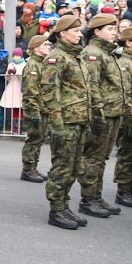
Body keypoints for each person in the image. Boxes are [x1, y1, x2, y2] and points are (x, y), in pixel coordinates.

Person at [41, 15, 92, 230]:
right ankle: (56, 209)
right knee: (62, 166)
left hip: (79, 119)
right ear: (62, 33)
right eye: (75, 31)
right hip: (66, 122)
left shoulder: (76, 57)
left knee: (73, 167)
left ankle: (65, 204)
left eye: (80, 31)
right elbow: (50, 93)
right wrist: (58, 125)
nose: (80, 34)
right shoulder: (56, 58)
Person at [78, 13, 124, 218]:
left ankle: (96, 196)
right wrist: (97, 115)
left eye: (115, 28)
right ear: (97, 31)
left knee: (102, 157)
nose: (114, 32)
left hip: (113, 112)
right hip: (102, 113)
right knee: (94, 157)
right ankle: (87, 199)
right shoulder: (93, 53)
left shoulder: (108, 53)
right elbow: (92, 86)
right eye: (109, 29)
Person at [20, 34, 52, 183]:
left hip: (44, 107)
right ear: (36, 48)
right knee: (33, 139)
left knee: (39, 139)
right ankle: (27, 169)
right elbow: (30, 92)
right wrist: (33, 113)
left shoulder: (42, 63)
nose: (48, 46)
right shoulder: (33, 65)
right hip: (36, 108)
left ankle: (33, 167)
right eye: (45, 44)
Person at [113, 27, 132, 208]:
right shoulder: (125, 63)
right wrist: (131, 118)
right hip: (130, 115)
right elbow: (125, 94)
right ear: (128, 42)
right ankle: (123, 190)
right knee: (127, 154)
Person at [0, 48, 27, 134]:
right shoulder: (11, 64)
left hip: (20, 87)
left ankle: (20, 127)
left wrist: (17, 72)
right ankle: (14, 127)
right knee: (14, 106)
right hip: (12, 86)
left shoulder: (25, 64)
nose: (16, 57)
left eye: (18, 56)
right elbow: (7, 78)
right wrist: (8, 73)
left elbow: (24, 77)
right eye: (14, 56)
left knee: (20, 107)